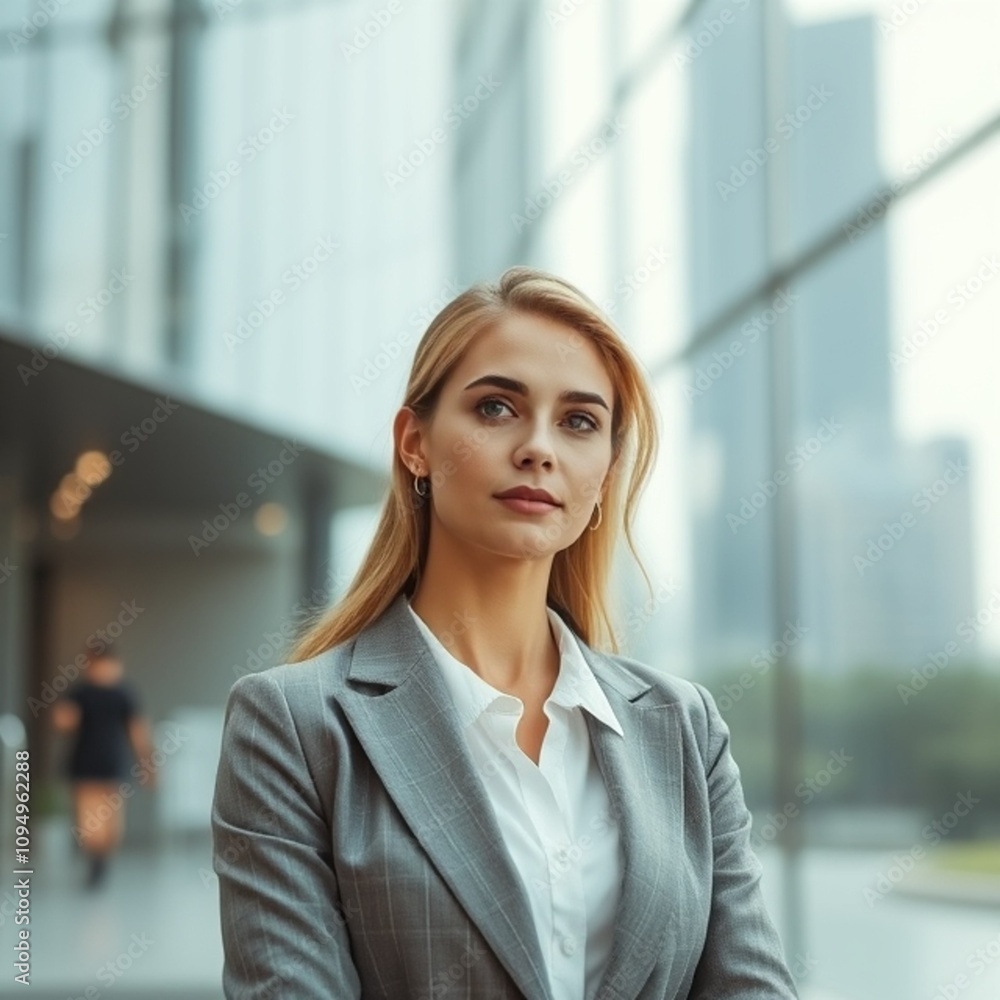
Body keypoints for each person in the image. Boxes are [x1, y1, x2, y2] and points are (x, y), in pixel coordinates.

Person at [211, 266, 799, 998]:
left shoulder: (684, 727)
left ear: (606, 474)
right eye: (496, 408)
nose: (538, 448)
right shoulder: (294, 727)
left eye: (579, 421)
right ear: (415, 444)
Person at [53, 644, 156, 888]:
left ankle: (101, 859)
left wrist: (148, 763)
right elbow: (64, 722)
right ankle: (96, 861)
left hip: (111, 763)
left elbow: (137, 731)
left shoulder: (123, 693)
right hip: (88, 763)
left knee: (109, 820)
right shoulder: (80, 692)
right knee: (91, 818)